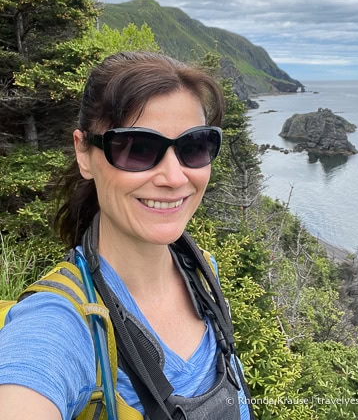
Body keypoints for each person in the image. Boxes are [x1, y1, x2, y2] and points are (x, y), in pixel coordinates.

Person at [0, 51, 254, 420]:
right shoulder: (62, 321)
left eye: (194, 146)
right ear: (84, 153)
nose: (174, 177)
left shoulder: (201, 271)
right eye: (138, 149)